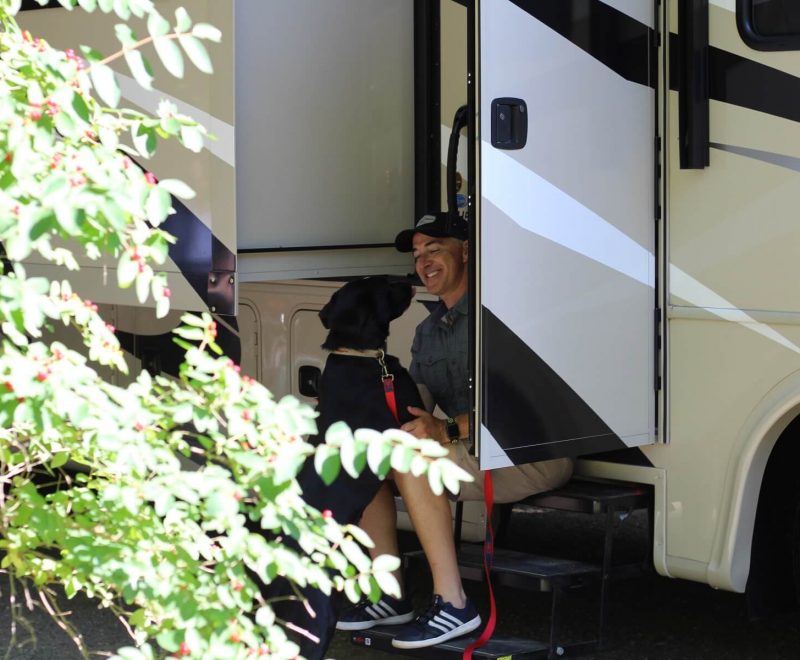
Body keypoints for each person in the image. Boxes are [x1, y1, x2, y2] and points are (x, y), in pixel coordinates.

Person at [336, 211, 573, 650]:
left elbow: (524, 405)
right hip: (470, 449)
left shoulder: (499, 315)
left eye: (436, 249)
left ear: (466, 252)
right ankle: (388, 593)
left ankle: (454, 604)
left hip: (530, 451)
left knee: (413, 462)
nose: (424, 261)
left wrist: (445, 427)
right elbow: (415, 412)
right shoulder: (427, 332)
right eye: (418, 253)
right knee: (368, 455)